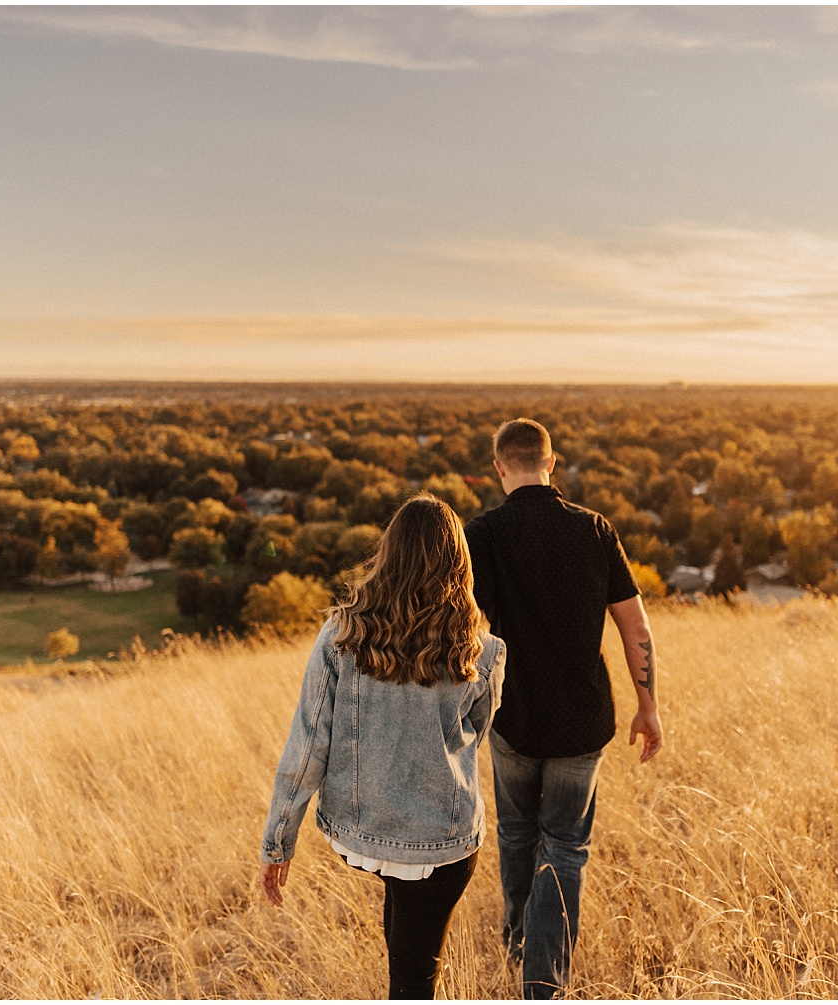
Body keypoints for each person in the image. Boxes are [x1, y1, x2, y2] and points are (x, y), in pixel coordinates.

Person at [258, 494, 506, 999]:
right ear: (459, 562)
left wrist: (277, 842)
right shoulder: (484, 650)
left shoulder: (341, 634)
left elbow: (307, 744)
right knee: (413, 976)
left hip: (364, 833)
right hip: (444, 843)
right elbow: (472, 738)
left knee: (406, 955)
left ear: (388, 554)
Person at [463, 417, 664, 1000]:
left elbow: (461, 629)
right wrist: (647, 707)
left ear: (500, 467)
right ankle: (543, 983)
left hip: (512, 718)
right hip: (583, 722)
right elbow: (636, 627)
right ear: (553, 463)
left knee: (518, 833)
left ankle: (519, 945)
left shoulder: (484, 534)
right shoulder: (595, 530)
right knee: (566, 848)